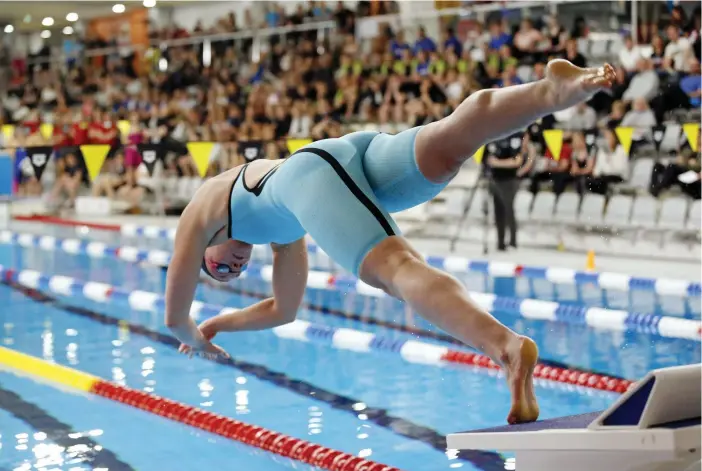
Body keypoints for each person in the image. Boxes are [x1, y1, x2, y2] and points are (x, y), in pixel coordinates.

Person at [166, 59, 616, 425]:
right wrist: (218, 326)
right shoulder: (283, 236)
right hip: (343, 155)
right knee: (452, 141)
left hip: (311, 173)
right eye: (236, 272)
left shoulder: (201, 212)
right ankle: (552, 92)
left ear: (206, 247)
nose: (235, 266)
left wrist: (194, 336)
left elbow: (173, 317)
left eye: (222, 267)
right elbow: (283, 310)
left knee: (397, 269)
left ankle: (505, 347)